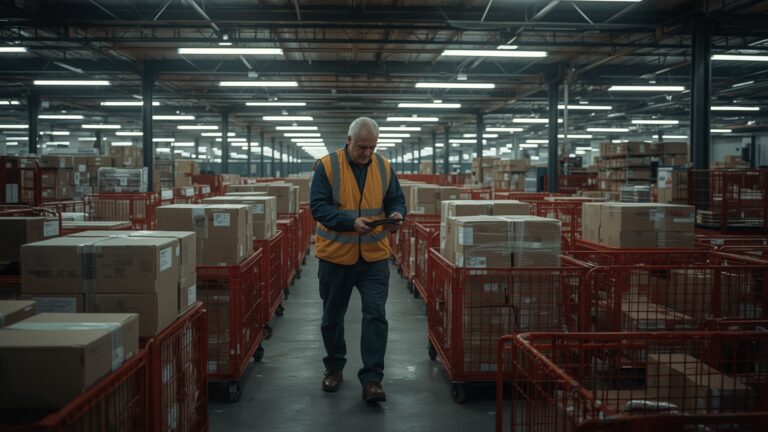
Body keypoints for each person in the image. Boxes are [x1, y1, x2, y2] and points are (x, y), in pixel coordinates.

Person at [309, 116, 407, 403]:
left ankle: (372, 379)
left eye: (372, 147)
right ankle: (334, 368)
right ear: (348, 140)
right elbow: (318, 207)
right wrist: (349, 222)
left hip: (374, 258)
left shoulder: (385, 167)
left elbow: (396, 200)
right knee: (332, 317)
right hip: (336, 257)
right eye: (362, 146)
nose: (366, 152)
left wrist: (399, 214)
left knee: (376, 315)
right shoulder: (327, 166)